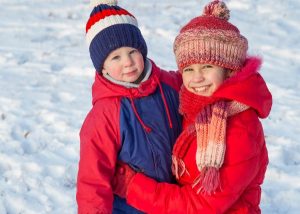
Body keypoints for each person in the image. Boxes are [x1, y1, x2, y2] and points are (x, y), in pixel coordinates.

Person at [112, 0, 272, 213]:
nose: (197, 78)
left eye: (207, 66)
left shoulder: (240, 128)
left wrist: (133, 187)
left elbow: (201, 205)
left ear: (229, 70)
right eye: (188, 69)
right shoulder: (196, 105)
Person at [76, 0, 182, 213]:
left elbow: (203, 83)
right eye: (115, 57)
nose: (128, 62)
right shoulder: (105, 114)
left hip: (175, 199)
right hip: (130, 207)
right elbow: (93, 181)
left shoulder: (170, 85)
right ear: (102, 67)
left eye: (132, 52)